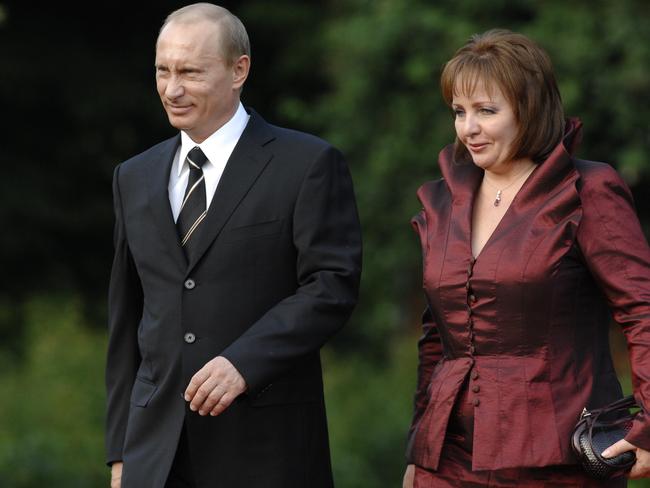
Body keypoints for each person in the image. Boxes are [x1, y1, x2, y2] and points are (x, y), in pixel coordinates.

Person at [104, 3, 362, 487]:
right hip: (153, 456)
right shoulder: (132, 177)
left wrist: (244, 361)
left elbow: (331, 287)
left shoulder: (307, 164)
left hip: (267, 449)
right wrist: (120, 453)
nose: (172, 89)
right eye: (163, 71)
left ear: (238, 69)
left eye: (191, 72)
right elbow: (127, 321)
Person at [402, 29, 650, 487]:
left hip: (557, 457)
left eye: (486, 111)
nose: (468, 128)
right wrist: (420, 450)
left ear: (530, 109)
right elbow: (437, 335)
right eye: (459, 112)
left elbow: (642, 311)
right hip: (450, 460)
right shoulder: (443, 201)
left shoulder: (588, 191)